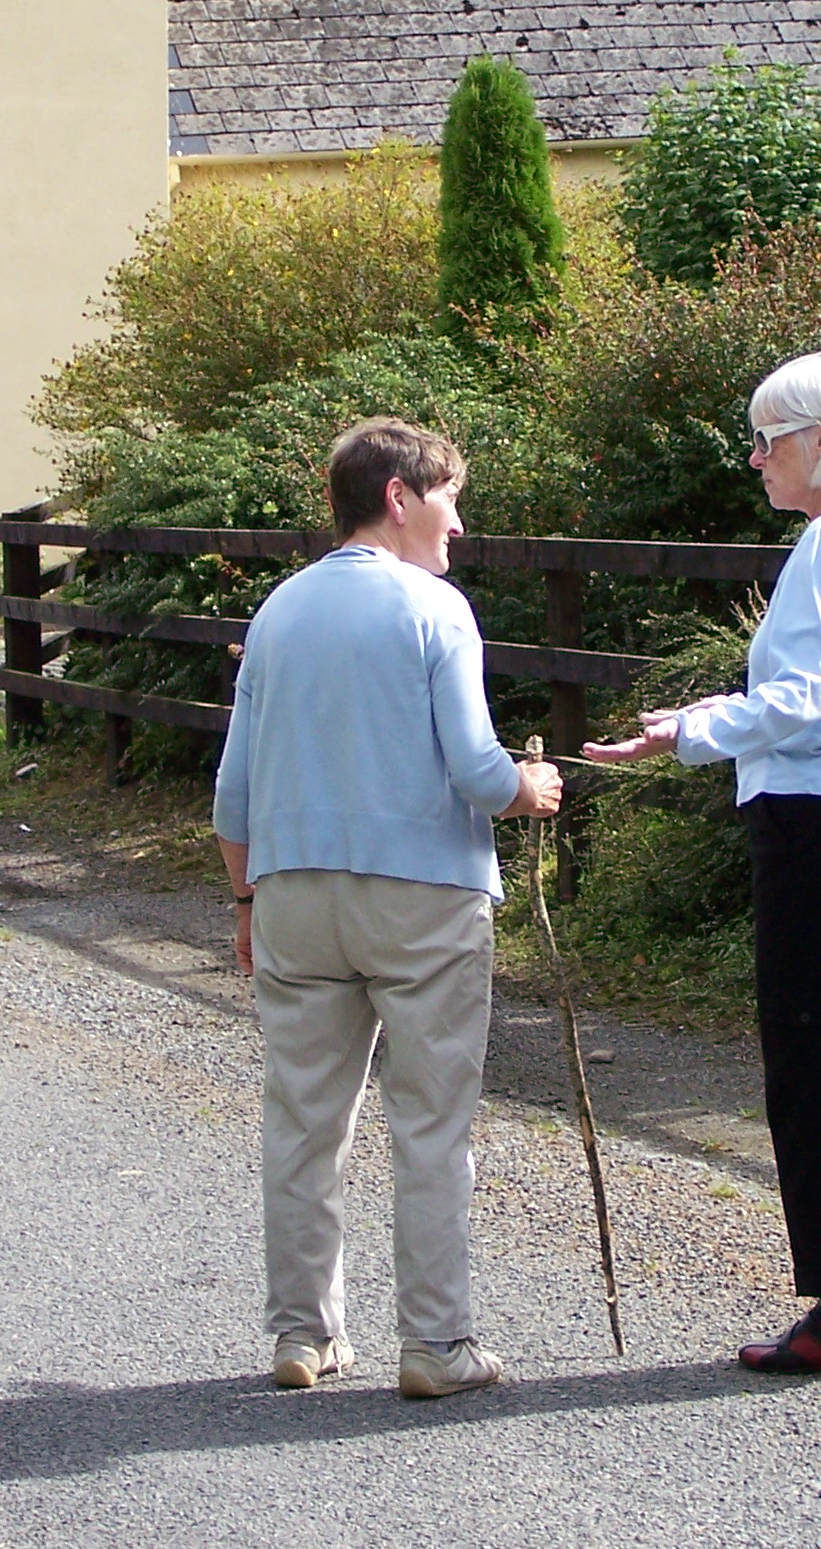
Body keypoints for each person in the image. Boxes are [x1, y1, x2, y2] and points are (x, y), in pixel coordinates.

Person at [586, 352, 821, 1377]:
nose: (755, 457)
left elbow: (797, 699)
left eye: (769, 437)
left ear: (820, 438)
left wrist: (688, 732)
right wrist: (703, 718)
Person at [213, 417, 562, 1400]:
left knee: (303, 1120)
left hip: (293, 890)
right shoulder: (435, 607)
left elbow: (232, 793)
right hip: (423, 897)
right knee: (431, 1124)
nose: (458, 523)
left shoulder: (278, 611)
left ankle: (303, 1332)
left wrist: (244, 900)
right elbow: (478, 772)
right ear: (400, 497)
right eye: (449, 498)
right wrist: (530, 787)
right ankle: (436, 1343)